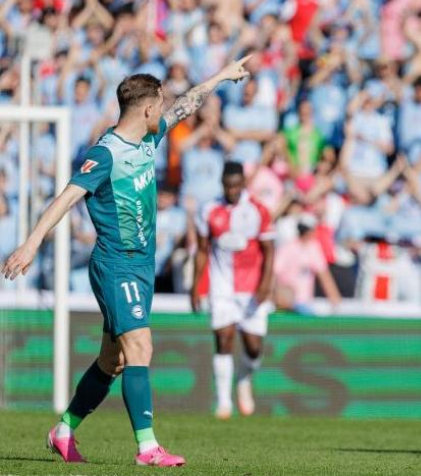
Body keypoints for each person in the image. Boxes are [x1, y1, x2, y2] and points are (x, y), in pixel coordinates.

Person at [1, 56, 252, 467]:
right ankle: (148, 447)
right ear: (148, 109)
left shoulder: (148, 139)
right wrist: (31, 244)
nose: (166, 109)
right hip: (116, 263)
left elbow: (186, 103)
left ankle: (64, 429)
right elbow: (66, 197)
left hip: (141, 265)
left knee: (112, 360)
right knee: (140, 345)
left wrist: (222, 76)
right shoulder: (105, 154)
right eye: (161, 103)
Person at [192, 161, 276, 420]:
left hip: (251, 287)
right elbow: (203, 250)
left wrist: (265, 284)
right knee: (224, 338)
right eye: (228, 186)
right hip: (222, 286)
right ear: (222, 185)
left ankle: (244, 378)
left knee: (253, 347)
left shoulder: (258, 210)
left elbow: (269, 251)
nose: (233, 190)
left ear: (243, 184)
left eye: (237, 185)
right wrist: (196, 286)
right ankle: (224, 402)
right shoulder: (209, 210)